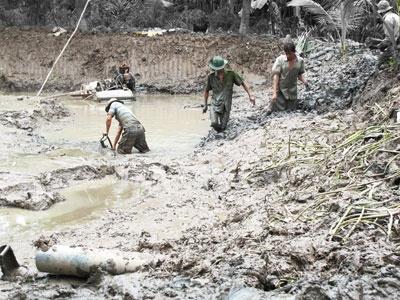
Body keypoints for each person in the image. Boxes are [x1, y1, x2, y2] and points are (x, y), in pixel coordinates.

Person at [203, 56, 255, 132]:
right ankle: (218, 134)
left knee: (223, 127)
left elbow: (242, 83)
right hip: (214, 103)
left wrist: (250, 95)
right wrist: (205, 105)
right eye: (216, 69)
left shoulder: (231, 74)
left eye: (219, 68)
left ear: (223, 66)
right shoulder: (211, 77)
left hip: (226, 105)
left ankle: (220, 138)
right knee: (214, 123)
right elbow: (206, 91)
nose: (218, 70)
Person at [270, 40, 308, 112]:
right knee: (277, 110)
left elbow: (299, 74)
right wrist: (274, 92)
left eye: (289, 54)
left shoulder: (300, 61)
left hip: (292, 92)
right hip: (281, 91)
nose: (288, 56)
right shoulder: (280, 60)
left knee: (291, 110)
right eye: (286, 53)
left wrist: (305, 82)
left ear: (294, 52)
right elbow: (276, 76)